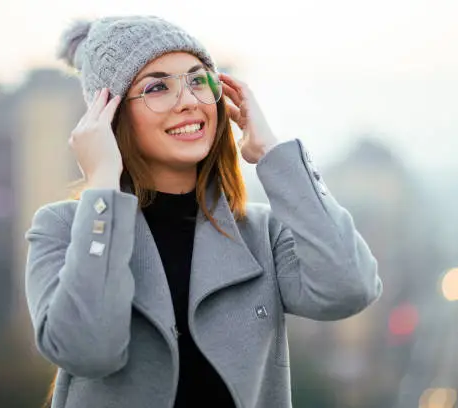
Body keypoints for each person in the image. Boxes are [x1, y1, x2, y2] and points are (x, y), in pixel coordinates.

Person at [24, 15, 382, 408]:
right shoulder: (61, 229)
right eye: (158, 87)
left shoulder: (262, 234)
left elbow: (350, 288)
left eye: (198, 80)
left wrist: (273, 154)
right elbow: (88, 350)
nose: (189, 101)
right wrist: (103, 186)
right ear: (109, 114)